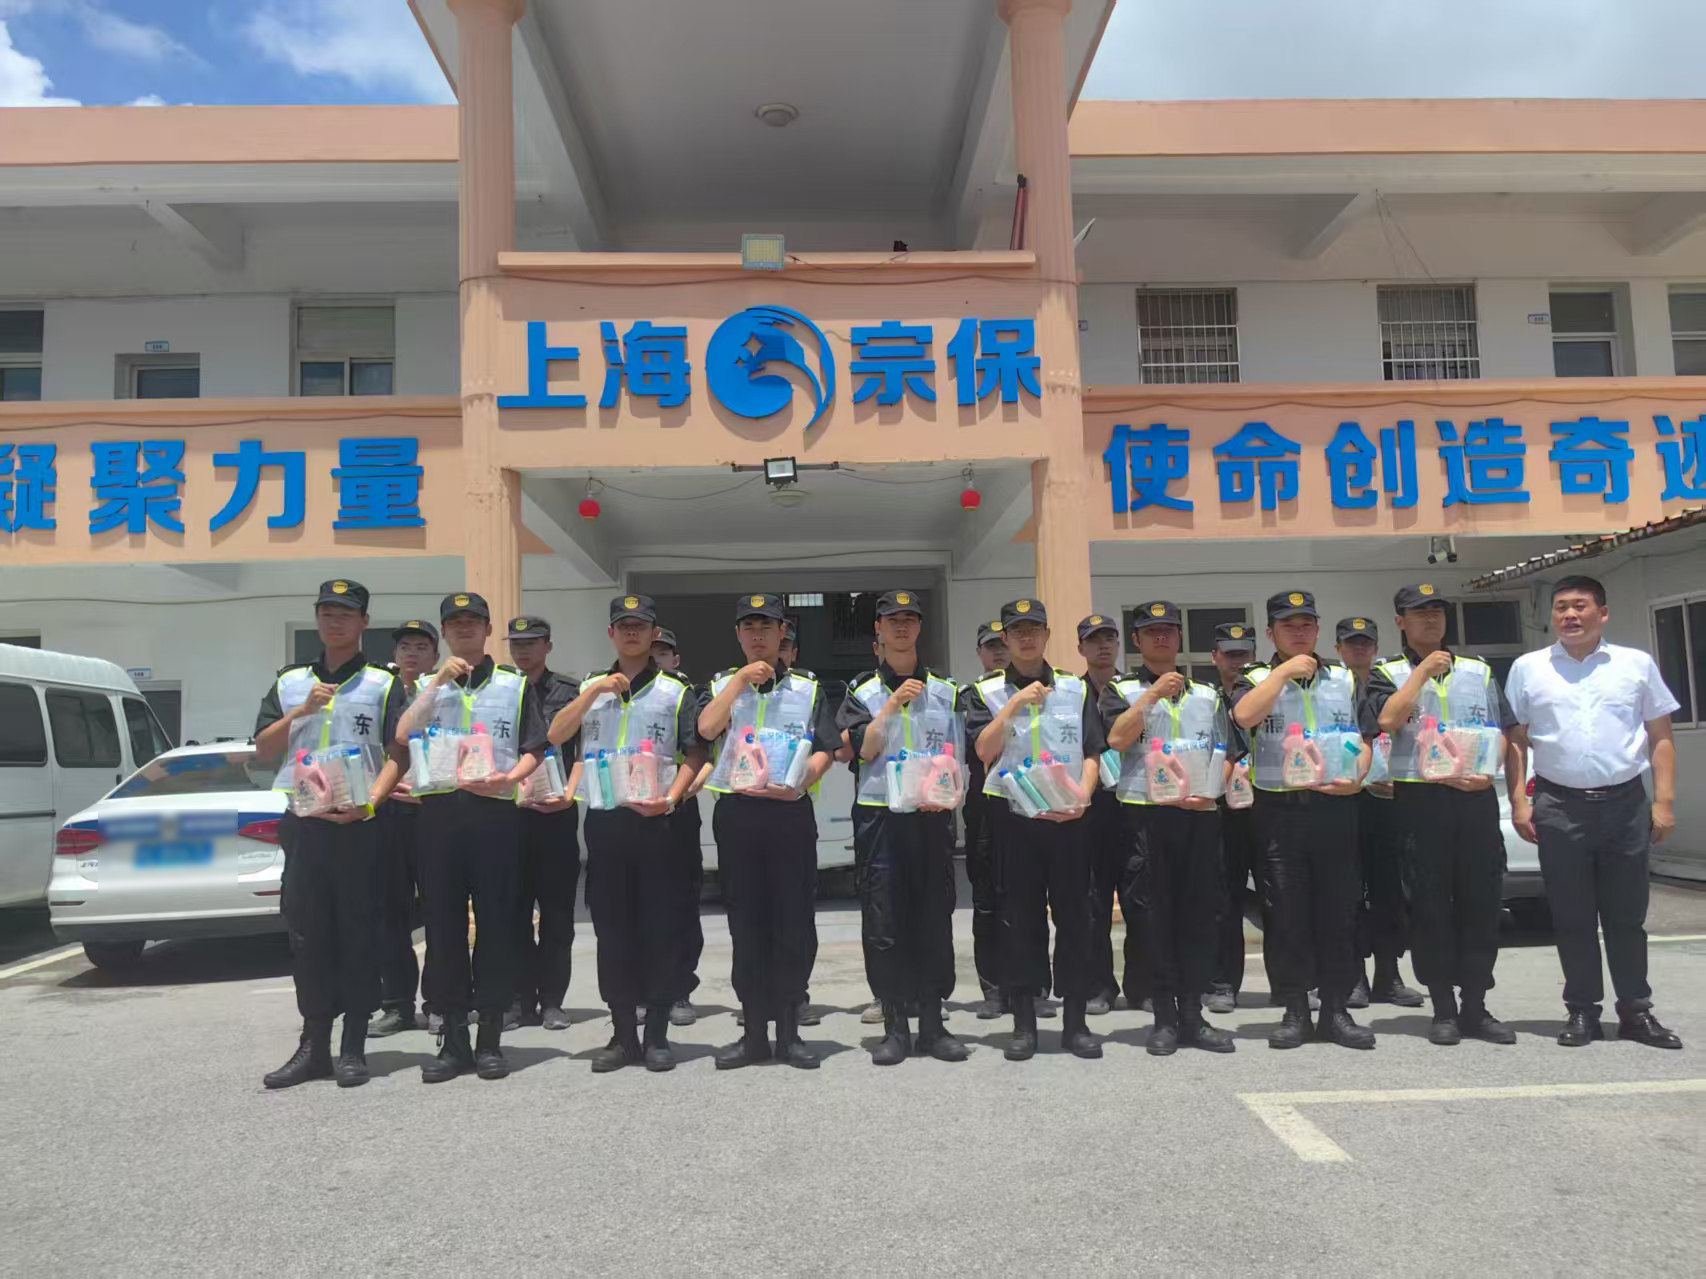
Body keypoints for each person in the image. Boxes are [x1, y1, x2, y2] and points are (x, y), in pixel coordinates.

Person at [1506, 575, 1682, 1050]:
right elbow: (1516, 740)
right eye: (1561, 607)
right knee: (1571, 916)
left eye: (1580, 606)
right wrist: (1520, 800)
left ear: (1602, 613)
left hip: (1625, 805)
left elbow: (1661, 736)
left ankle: (1636, 1011)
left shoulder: (1635, 665)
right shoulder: (1529, 668)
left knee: (1626, 917)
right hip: (1559, 805)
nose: (1570, 615)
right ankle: (1582, 1010)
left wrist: (1663, 802)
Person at [254, 580, 406, 1089]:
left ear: (364, 622)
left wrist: (370, 802)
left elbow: (400, 754)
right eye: (326, 612)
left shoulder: (383, 683)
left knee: (358, 932)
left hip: (359, 823)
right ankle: (313, 1045)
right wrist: (300, 711)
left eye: (345, 613)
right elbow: (263, 750)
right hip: (306, 824)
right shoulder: (290, 682)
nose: (334, 621)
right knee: (308, 934)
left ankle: (354, 1045)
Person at [548, 595, 707, 1071]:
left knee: (660, 926)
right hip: (607, 823)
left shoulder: (675, 691)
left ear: (655, 634)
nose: (632, 633)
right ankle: (621, 1034)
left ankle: (656, 1033)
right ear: (611, 633)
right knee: (612, 930)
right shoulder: (590, 687)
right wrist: (593, 693)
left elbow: (696, 753)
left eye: (641, 626)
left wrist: (672, 798)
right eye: (623, 625)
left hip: (658, 823)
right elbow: (557, 735)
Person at [396, 592, 548, 1083]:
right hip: (438, 819)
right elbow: (402, 733)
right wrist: (437, 682)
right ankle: (453, 1039)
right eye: (455, 622)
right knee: (443, 929)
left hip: (494, 817)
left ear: (487, 630)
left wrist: (509, 779)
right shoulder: (426, 684)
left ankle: (490, 1040)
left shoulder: (513, 684)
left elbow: (535, 747)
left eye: (473, 621)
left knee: (497, 925)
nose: (464, 628)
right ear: (444, 632)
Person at [1359, 590, 1514, 1045]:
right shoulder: (1387, 672)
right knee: (1429, 907)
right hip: (1420, 801)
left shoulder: (1478, 670)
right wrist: (1423, 672)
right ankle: (1443, 1007)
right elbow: (1387, 721)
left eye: (1436, 613)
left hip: (1474, 798)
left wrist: (1489, 770)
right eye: (1419, 614)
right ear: (1400, 622)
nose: (1430, 620)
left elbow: (1502, 730)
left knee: (1480, 904)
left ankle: (1476, 1006)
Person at [698, 593, 839, 1069]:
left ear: (783, 633)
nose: (758, 635)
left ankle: (791, 1033)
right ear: (738, 635)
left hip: (789, 816)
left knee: (792, 922)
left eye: (767, 627)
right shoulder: (721, 685)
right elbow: (706, 729)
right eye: (749, 627)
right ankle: (754, 1034)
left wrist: (801, 781)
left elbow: (827, 749)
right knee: (747, 924)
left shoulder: (807, 688)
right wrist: (739, 681)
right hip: (739, 817)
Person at [964, 597, 1106, 1061]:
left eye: (1035, 629)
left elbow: (1092, 751)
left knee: (1076, 918)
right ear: (1005, 638)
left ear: (1047, 635)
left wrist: (1083, 798)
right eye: (1017, 631)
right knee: (1018, 920)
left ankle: (1075, 1023)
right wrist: (1014, 705)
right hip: (1012, 819)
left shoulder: (1075, 689)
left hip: (1068, 818)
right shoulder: (985, 692)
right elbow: (983, 751)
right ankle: (1023, 1023)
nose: (1027, 638)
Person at [1231, 590, 1373, 1051]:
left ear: (1317, 629)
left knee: (1338, 912)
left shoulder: (1344, 678)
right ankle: (1295, 1009)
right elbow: (1244, 716)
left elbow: (1365, 736)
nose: (1299, 632)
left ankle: (1336, 1010)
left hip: (1335, 809)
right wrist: (1283, 673)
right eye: (1288, 625)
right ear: (1270, 632)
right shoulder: (1254, 678)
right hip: (1280, 813)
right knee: (1286, 914)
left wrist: (1358, 776)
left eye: (1306, 624)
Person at [837, 590, 968, 1065]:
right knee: (884, 922)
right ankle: (895, 1026)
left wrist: (950, 795)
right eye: (892, 619)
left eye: (910, 618)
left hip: (931, 817)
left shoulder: (947, 690)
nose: (901, 626)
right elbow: (863, 749)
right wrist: (892, 703)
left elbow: (959, 752)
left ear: (919, 627)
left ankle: (932, 1025)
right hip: (881, 820)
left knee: (933, 919)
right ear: (878, 629)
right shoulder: (863, 691)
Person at [1102, 601, 1238, 1055]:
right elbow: (1117, 738)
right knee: (1153, 918)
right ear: (1136, 640)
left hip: (1197, 816)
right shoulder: (1121, 690)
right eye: (1151, 632)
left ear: (1179, 638)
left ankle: (1193, 1015)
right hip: (1146, 818)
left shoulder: (1207, 694)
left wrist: (1213, 791)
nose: (1161, 638)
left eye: (1168, 631)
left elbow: (1227, 750)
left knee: (1199, 916)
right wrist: (1152, 695)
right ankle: (1163, 1016)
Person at [1336, 616, 1425, 1013]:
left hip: (1392, 801)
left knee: (1391, 892)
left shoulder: (1391, 684)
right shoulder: (1330, 688)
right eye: (1351, 642)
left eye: (1365, 642)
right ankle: (1353, 976)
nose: (1359, 648)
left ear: (1375, 647)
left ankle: (1389, 975)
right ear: (1338, 648)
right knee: (1349, 891)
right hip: (1347, 801)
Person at [505, 616, 582, 1033]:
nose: (523, 650)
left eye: (532, 642)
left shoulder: (569, 691)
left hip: (555, 815)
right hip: (511, 815)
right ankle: (520, 1000)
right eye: (516, 643)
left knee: (556, 914)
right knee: (513, 912)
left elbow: (583, 749)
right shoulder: (501, 691)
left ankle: (552, 1001)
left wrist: (570, 794)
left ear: (548, 646)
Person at [368, 619, 438, 1038]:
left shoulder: (448, 694)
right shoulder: (377, 694)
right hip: (388, 812)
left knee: (440, 911)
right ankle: (396, 1005)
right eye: (405, 647)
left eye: (421, 647)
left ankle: (439, 1003)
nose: (411, 653)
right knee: (389, 913)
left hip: (433, 811)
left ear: (436, 656)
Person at [1078, 613, 1146, 1017]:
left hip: (1136, 806)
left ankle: (1143, 986)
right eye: (1094, 640)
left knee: (1141, 901)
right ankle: (1098, 986)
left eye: (1109, 639)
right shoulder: (1071, 694)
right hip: (1091, 812)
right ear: (1080, 648)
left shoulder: (1135, 689)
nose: (1103, 646)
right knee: (1093, 904)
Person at [1205, 621, 1268, 1014]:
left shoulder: (1269, 692)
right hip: (1223, 814)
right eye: (1230, 654)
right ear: (1215, 657)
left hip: (1267, 809)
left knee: (1279, 898)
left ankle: (1292, 984)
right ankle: (1222, 984)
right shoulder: (1205, 700)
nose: (1237, 661)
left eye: (1243, 653)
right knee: (1223, 901)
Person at [650, 626, 704, 1028]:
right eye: (652, 652)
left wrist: (679, 792)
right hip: (632, 811)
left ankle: (680, 988)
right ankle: (642, 990)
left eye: (663, 653)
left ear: (676, 659)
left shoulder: (690, 696)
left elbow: (702, 751)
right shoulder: (619, 691)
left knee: (681, 903)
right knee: (637, 906)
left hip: (679, 809)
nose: (657, 659)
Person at [961, 621, 1013, 1020]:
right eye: (990, 646)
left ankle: (1032, 987)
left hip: (1030, 805)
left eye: (1002, 645)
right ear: (979, 653)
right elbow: (970, 750)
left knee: (1027, 900)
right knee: (987, 903)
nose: (998, 653)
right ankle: (993, 989)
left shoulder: (1042, 691)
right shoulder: (970, 697)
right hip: (985, 808)